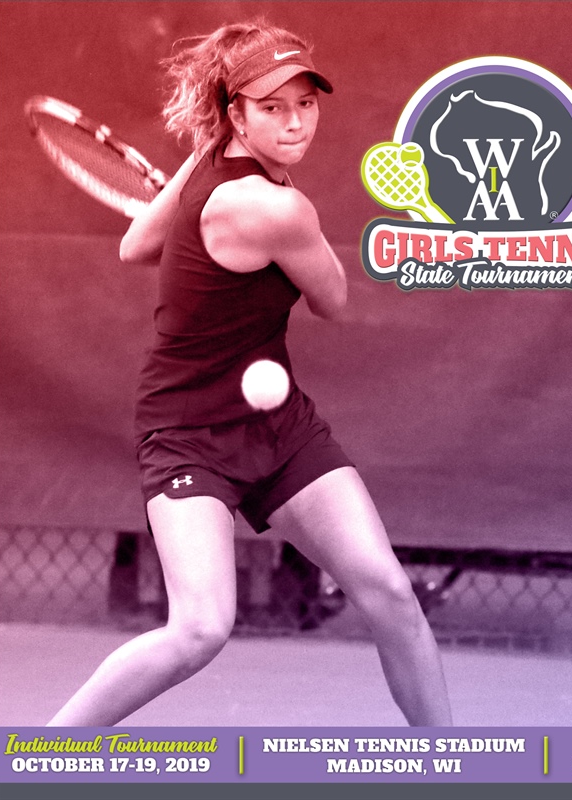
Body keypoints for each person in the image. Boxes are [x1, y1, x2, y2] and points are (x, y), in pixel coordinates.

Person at [48, 17, 452, 727]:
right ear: (237, 114)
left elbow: (136, 244)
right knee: (199, 629)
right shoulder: (278, 207)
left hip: (277, 427)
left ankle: (449, 763)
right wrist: (262, 232)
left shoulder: (208, 158)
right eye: (273, 107)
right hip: (187, 432)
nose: (296, 123)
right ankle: (41, 754)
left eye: (306, 103)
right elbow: (332, 299)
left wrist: (202, 219)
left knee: (390, 593)